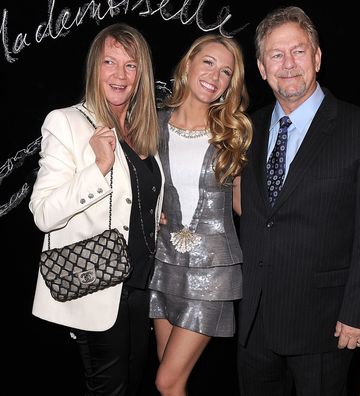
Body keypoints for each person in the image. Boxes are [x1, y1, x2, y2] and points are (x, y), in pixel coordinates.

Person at [236, 6, 360, 396]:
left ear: (318, 57)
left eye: (298, 51)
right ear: (261, 67)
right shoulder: (247, 128)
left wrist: (359, 313)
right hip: (253, 322)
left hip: (325, 326)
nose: (288, 64)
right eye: (276, 55)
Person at [29, 23, 164, 395]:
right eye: (110, 62)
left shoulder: (141, 129)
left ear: (142, 75)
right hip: (97, 286)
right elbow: (43, 212)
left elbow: (136, 197)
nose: (120, 75)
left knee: (132, 385)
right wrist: (97, 168)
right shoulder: (67, 122)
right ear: (94, 67)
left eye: (131, 65)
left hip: (140, 285)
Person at [148, 34, 253, 395]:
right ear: (189, 64)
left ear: (230, 84)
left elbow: (246, 207)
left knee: (167, 380)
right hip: (163, 263)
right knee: (169, 378)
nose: (215, 75)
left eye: (226, 72)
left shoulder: (233, 135)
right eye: (208, 62)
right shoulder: (152, 125)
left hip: (213, 271)